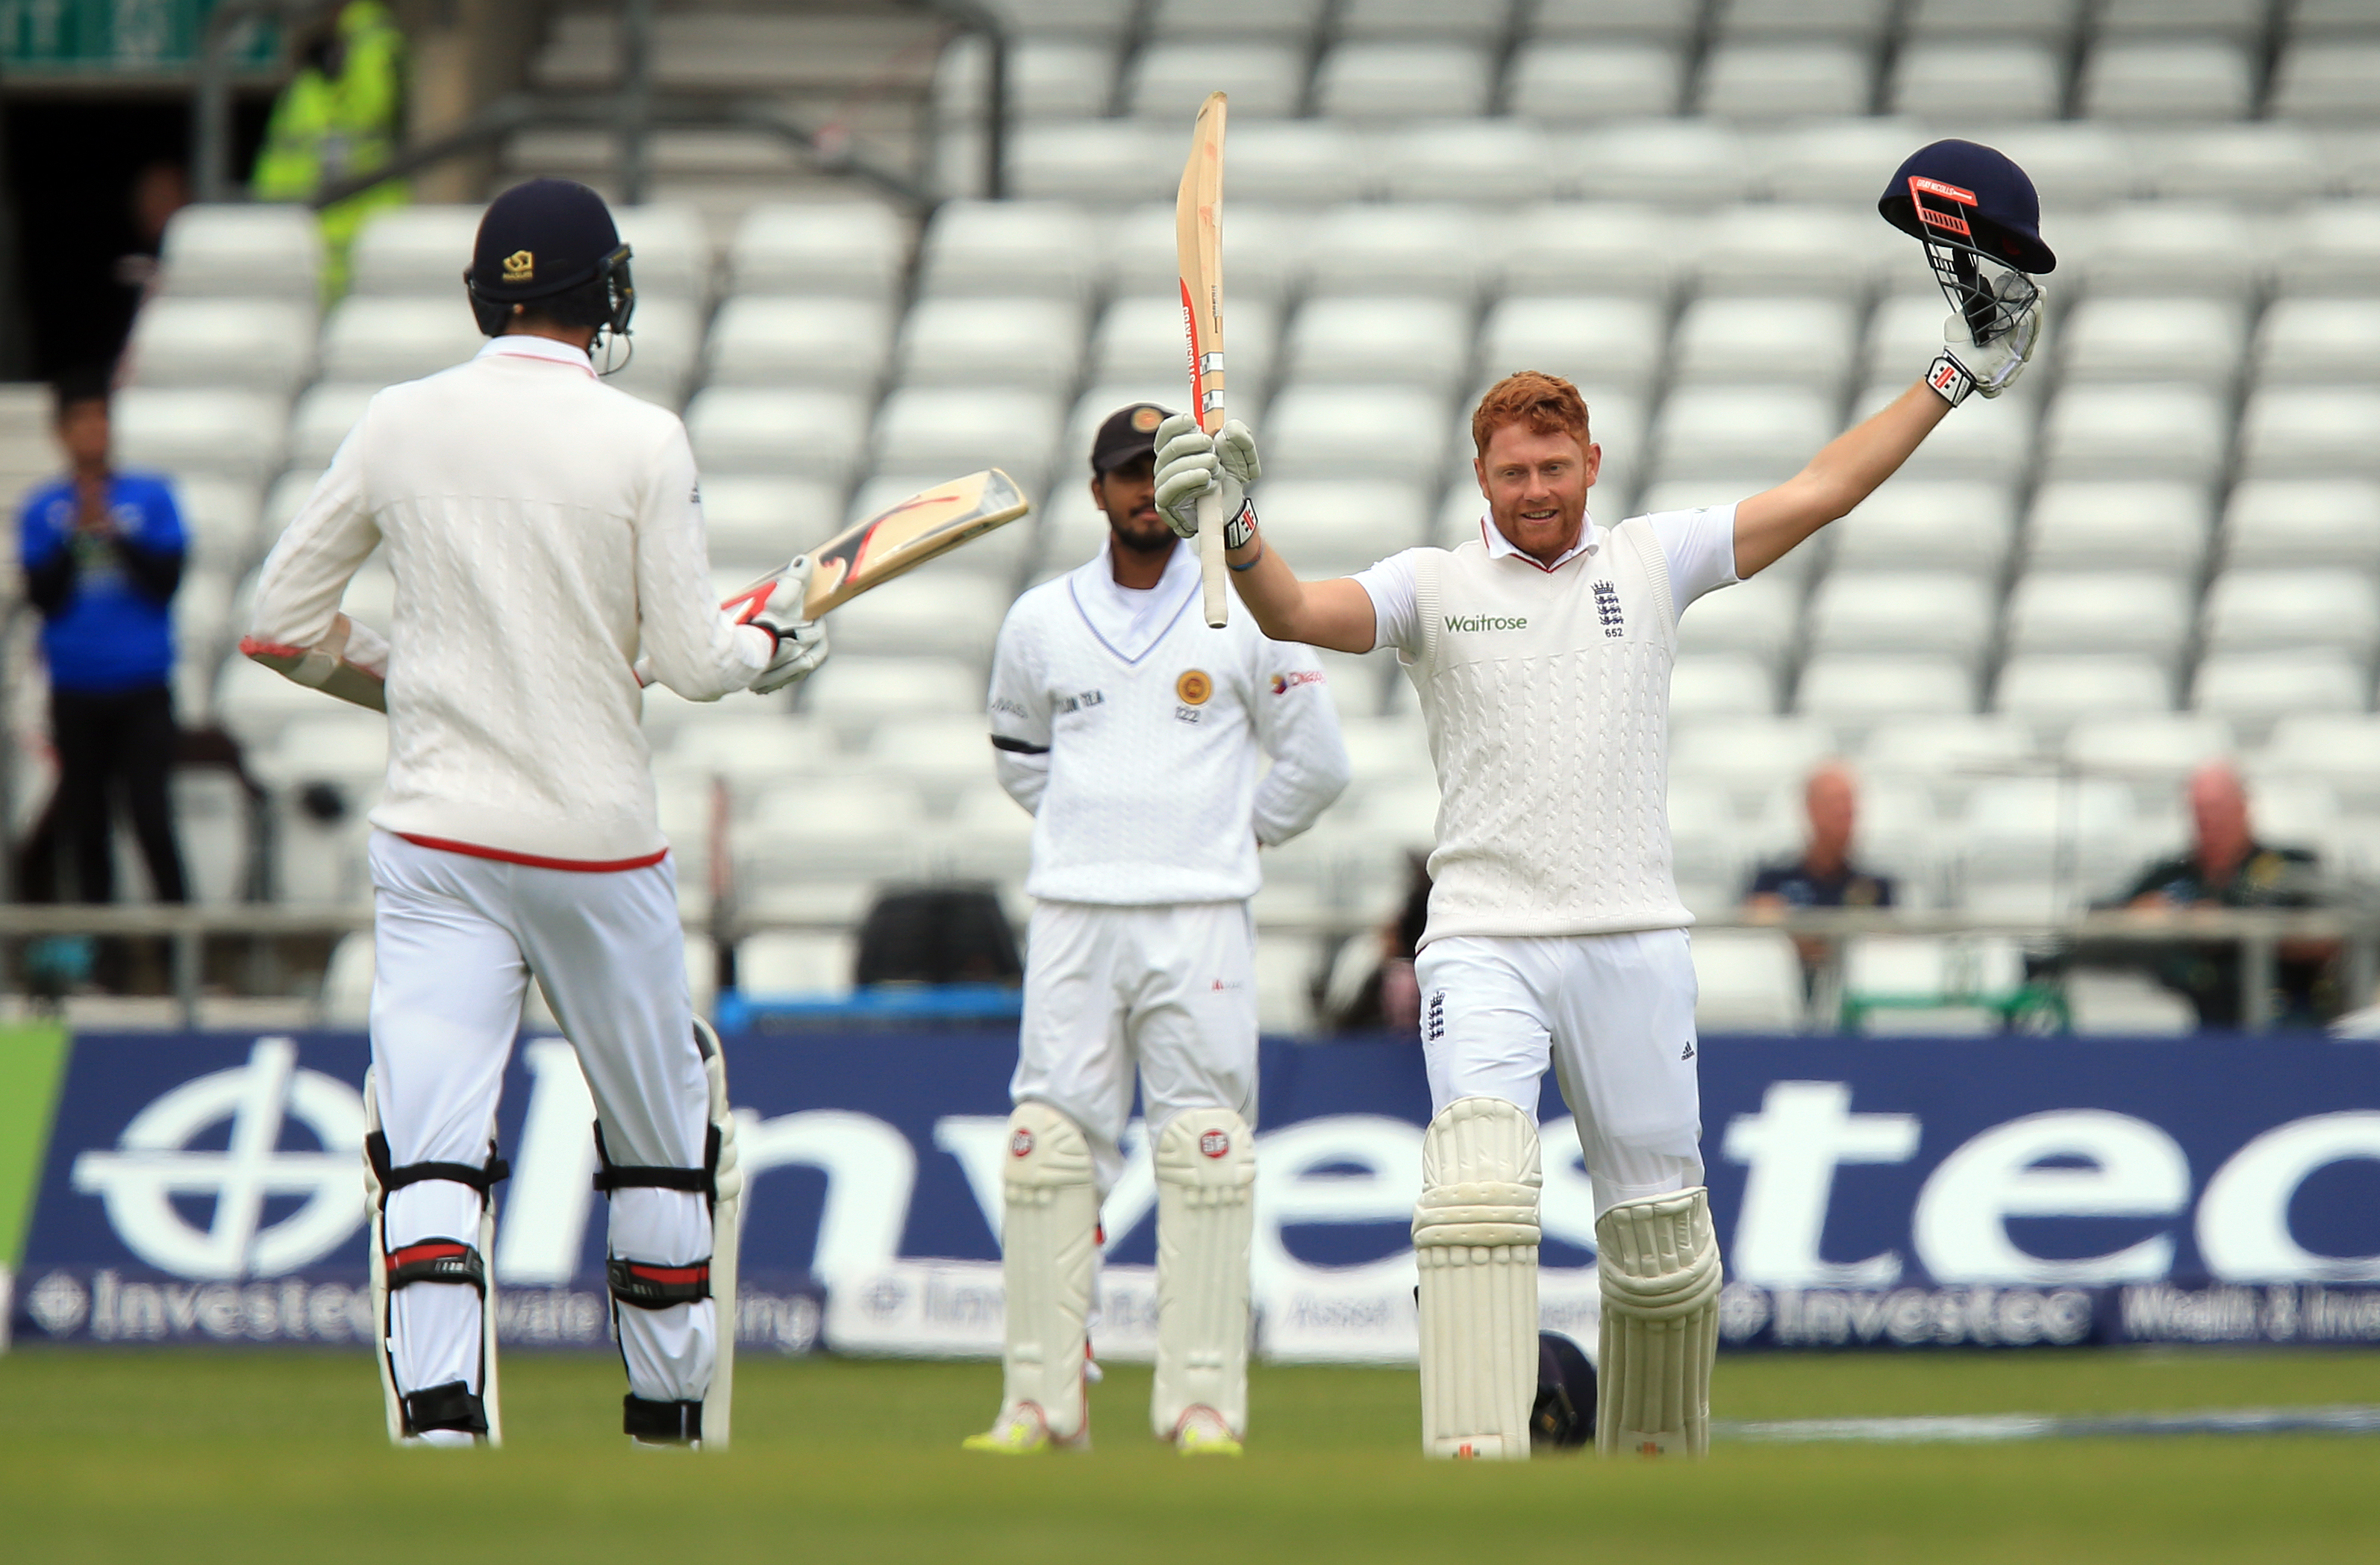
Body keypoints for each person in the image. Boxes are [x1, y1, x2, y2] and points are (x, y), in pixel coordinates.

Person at [1162, 159, 2043, 1457]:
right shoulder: (1425, 584)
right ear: (1480, 472)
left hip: (1632, 934)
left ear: (1589, 460)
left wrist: (1947, 375)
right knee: (1472, 1197)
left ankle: (1655, 1469)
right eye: (1511, 469)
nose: (1533, 489)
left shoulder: (1650, 555)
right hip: (1482, 938)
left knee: (1661, 1242)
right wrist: (1235, 530)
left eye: (1552, 465)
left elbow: (1821, 490)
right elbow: (1295, 612)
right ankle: (1471, 1461)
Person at [241, 178, 828, 1448]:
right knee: (661, 1142)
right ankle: (666, 1422)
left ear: (481, 294)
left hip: (436, 835)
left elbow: (277, 626)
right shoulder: (642, 437)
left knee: (434, 1148)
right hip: (594, 840)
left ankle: (441, 1426)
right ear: (600, 295)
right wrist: (775, 638)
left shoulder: (399, 422)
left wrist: (415, 678)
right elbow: (686, 658)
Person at [967, 402, 1351, 1456]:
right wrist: (1101, 836)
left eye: (1158, 472)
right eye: (1125, 474)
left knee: (1206, 1155)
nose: (1144, 491)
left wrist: (1225, 839)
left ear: (1187, 486)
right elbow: (1019, 756)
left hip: (1202, 918)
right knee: (1047, 1152)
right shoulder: (1040, 619)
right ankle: (1041, 1409)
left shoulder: (1245, 609)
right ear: (1095, 491)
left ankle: (1201, 1410)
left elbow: (1319, 764)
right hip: (1076, 915)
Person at [19, 366, 188, 909]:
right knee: (86, 826)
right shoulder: (42, 509)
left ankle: (178, 955)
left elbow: (166, 581)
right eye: (81, 420)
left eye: (101, 419)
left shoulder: (152, 495)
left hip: (142, 683)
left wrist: (114, 531)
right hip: (76, 687)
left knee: (151, 818)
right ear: (62, 432)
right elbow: (44, 595)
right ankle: (104, 963)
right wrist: (76, 534)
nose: (94, 431)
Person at [2108, 761, 2334, 1028]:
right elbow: (2107, 916)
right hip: (2189, 1017)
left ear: (2243, 807)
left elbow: (2327, 934)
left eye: (2217, 809)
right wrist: (2147, 917)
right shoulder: (2172, 875)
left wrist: (2230, 926)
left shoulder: (2289, 865)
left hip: (2280, 1018)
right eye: (2200, 811)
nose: (2209, 822)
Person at [251, 0, 409, 296]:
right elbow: (274, 168)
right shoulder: (304, 91)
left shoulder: (375, 44)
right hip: (303, 251)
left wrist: (358, 22)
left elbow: (376, 104)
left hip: (368, 246)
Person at [1744, 760, 1897, 989]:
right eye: (1834, 802)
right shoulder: (1773, 878)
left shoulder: (1876, 885)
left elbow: (1886, 948)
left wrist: (1800, 934)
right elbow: (1758, 929)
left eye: (1850, 803)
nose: (1845, 813)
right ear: (1810, 809)